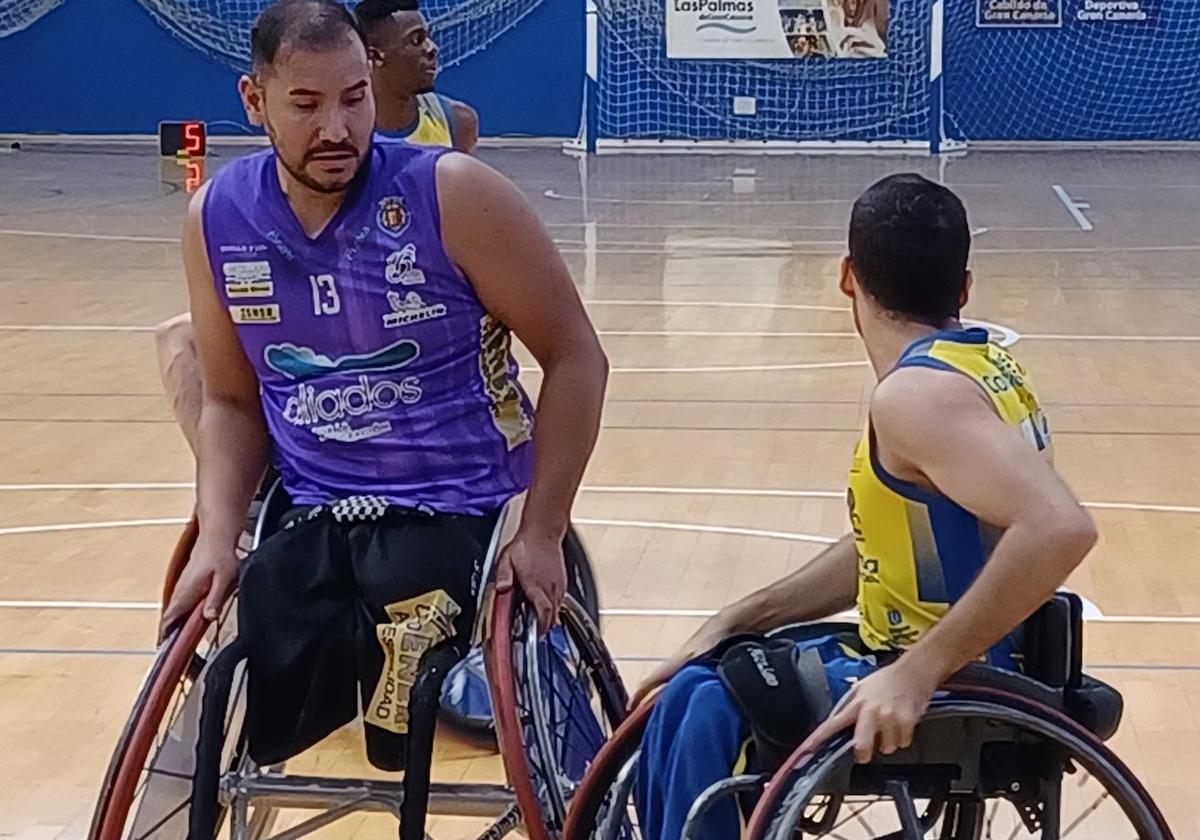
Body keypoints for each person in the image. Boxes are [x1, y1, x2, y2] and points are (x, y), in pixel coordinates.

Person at [159, 0, 607, 771]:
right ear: (254, 100)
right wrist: (216, 529)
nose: (335, 127)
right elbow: (231, 401)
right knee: (245, 649)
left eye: (353, 98)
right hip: (313, 515)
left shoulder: (455, 193)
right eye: (305, 104)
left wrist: (541, 529)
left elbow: (577, 359)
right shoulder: (218, 216)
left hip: (459, 508)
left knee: (413, 667)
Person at [632, 173, 1097, 839]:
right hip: (948, 653)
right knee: (699, 682)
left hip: (954, 675)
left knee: (704, 708)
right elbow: (907, 544)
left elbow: (1061, 528)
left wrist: (917, 672)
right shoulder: (983, 367)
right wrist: (738, 617)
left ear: (847, 277)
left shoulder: (917, 397)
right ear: (964, 288)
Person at [153, 3, 478, 455]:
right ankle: (248, 495)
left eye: (352, 100)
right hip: (317, 298)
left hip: (413, 309)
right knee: (179, 338)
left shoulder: (452, 137)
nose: (431, 50)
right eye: (415, 41)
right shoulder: (240, 195)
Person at [355, 0, 479, 152]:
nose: (432, 48)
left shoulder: (459, 120)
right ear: (376, 56)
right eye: (416, 40)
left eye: (429, 37)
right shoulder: (345, 128)